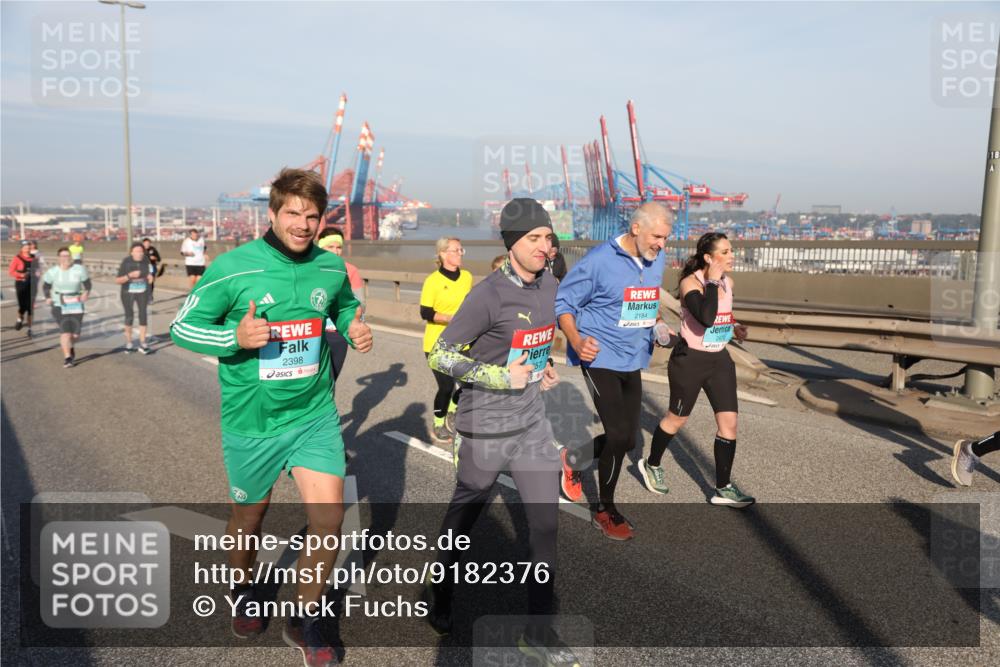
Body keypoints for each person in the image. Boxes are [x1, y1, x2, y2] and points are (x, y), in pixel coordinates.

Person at [170, 168, 371, 667]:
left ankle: (305, 619)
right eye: (293, 214)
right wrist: (233, 338)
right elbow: (182, 327)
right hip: (252, 423)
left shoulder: (330, 267)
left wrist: (353, 325)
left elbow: (344, 306)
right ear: (273, 212)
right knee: (249, 517)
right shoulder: (232, 268)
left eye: (312, 216)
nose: (303, 225)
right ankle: (242, 588)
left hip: (313, 414)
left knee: (330, 518)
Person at [423, 198, 579, 667]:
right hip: (485, 426)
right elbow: (442, 354)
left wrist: (542, 366)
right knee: (465, 519)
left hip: (531, 423)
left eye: (547, 237)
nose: (543, 246)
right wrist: (498, 376)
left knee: (545, 527)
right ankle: (441, 590)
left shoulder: (550, 283)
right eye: (533, 238)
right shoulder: (488, 295)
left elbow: (531, 344)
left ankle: (538, 631)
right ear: (511, 243)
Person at [554, 202, 674, 540]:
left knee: (628, 438)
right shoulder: (598, 261)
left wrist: (658, 325)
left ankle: (573, 458)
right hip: (599, 355)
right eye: (657, 236)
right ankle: (604, 510)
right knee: (619, 436)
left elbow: (647, 298)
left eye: (665, 238)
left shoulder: (656, 257)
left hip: (633, 356)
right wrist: (576, 340)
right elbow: (563, 303)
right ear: (636, 228)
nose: (662, 244)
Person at [649, 232, 754, 508]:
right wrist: (711, 281)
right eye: (725, 252)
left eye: (732, 250)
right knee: (676, 420)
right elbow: (706, 317)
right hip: (690, 361)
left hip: (719, 360)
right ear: (708, 257)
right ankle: (652, 463)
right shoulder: (691, 283)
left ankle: (723, 487)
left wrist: (734, 326)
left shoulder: (728, 282)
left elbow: (721, 314)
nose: (732, 256)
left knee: (729, 424)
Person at [420, 237, 473, 443]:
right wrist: (452, 318)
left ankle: (452, 411)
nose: (460, 253)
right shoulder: (433, 281)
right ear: (442, 254)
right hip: (437, 343)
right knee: (446, 386)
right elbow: (425, 312)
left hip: (463, 341)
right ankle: (438, 423)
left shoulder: (467, 277)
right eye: (456, 250)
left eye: (461, 250)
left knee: (469, 382)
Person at [316, 227, 364, 381]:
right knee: (316, 380)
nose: (335, 251)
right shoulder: (309, 269)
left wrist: (354, 323)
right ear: (320, 247)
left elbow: (360, 303)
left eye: (339, 247)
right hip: (314, 333)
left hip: (337, 333)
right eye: (330, 247)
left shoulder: (350, 270)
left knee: (331, 379)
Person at [42, 247, 91, 367]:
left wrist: (86, 293)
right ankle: (67, 358)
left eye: (68, 255)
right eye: (63, 256)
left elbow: (88, 284)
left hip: (76, 302)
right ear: (58, 258)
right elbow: (46, 286)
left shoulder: (79, 269)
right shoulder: (53, 271)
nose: (66, 258)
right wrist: (48, 297)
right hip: (59, 303)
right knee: (65, 332)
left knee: (75, 335)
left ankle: (71, 345)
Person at [116, 242, 154, 354]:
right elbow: (118, 280)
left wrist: (150, 277)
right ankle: (129, 343)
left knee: (143, 315)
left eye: (141, 251)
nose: (139, 253)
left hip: (142, 291)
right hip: (128, 292)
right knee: (129, 316)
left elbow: (150, 275)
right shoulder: (126, 262)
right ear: (131, 252)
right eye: (137, 251)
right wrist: (130, 275)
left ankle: (143, 343)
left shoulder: (146, 261)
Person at [8, 242, 35, 336]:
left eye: (28, 247)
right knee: (23, 306)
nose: (27, 249)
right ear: (22, 249)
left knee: (30, 308)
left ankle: (30, 329)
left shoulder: (34, 258)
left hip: (32, 284)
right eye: (25, 247)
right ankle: (20, 319)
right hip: (21, 284)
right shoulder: (17, 258)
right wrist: (21, 275)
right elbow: (11, 272)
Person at [142, 238, 162, 303]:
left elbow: (159, 259)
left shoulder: (153, 249)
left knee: (151, 282)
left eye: (148, 243)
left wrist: (154, 258)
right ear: (143, 243)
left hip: (151, 267)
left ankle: (150, 296)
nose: (147, 244)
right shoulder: (140, 250)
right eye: (145, 243)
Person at [28, 240, 45, 307]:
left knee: (34, 288)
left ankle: (33, 302)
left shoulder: (39, 253)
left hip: (36, 271)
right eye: (30, 244)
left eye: (33, 244)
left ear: (35, 245)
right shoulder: (27, 251)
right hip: (28, 271)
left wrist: (40, 271)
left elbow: (42, 262)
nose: (32, 246)